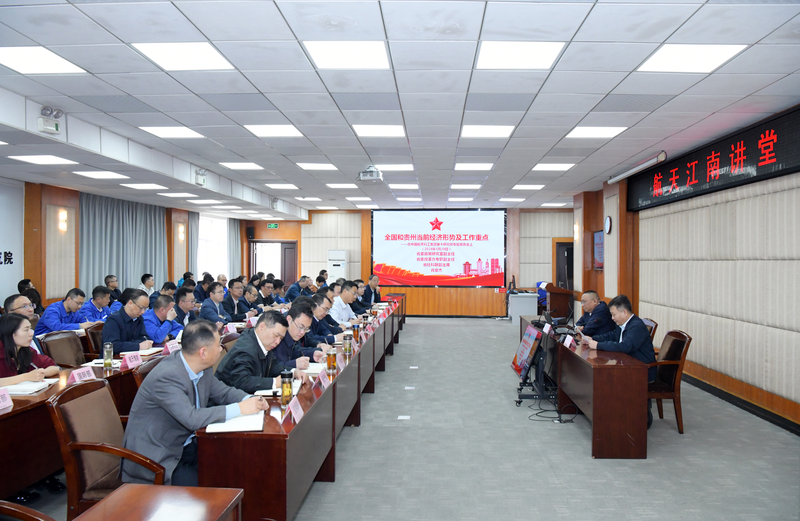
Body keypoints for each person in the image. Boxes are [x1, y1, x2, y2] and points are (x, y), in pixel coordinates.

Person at [121, 320, 269, 486]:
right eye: (218, 345)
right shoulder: (167, 376)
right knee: (208, 490)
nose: (221, 349)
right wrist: (240, 408)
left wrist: (248, 399)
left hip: (188, 444)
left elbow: (223, 392)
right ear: (203, 352)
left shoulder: (202, 367)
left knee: (236, 465)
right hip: (158, 457)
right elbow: (191, 418)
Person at [580, 294, 657, 428]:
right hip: (627, 365)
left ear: (624, 312)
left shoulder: (636, 326)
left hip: (643, 370)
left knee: (608, 378)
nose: (612, 318)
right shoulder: (623, 324)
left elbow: (625, 346)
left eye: (614, 315)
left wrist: (598, 345)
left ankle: (635, 414)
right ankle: (611, 412)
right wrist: (593, 339)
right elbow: (612, 335)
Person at [215, 310, 308, 393]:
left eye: (281, 338)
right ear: (262, 327)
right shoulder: (245, 349)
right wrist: (274, 382)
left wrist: (292, 372)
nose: (278, 342)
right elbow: (241, 381)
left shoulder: (261, 340)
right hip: (226, 401)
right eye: (276, 335)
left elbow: (272, 366)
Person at [0, 313, 60, 386]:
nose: (31, 334)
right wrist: (27, 377)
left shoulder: (26, 350)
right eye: (26, 330)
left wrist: (41, 373)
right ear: (11, 332)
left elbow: (54, 367)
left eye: (30, 329)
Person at [272, 302, 325, 370]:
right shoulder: (276, 338)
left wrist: (312, 355)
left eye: (306, 329)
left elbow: (295, 351)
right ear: (289, 320)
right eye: (300, 327)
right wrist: (294, 364)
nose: (302, 332)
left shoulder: (291, 336)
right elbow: (272, 368)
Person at [102, 289, 153, 355]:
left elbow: (144, 338)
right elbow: (113, 345)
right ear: (130, 303)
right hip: (114, 358)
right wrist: (138, 346)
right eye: (141, 308)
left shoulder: (139, 318)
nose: (143, 312)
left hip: (133, 356)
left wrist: (132, 344)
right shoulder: (113, 320)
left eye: (145, 309)